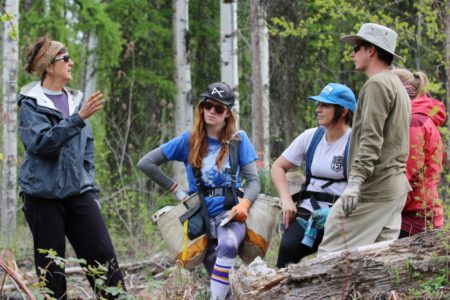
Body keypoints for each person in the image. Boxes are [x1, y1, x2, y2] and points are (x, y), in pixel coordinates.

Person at [18, 36, 125, 299]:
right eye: (65, 58)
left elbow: (87, 154)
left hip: (79, 193)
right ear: (48, 66)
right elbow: (42, 144)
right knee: (51, 272)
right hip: (42, 198)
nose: (71, 62)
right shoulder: (31, 104)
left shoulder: (78, 102)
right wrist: (78, 119)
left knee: (104, 263)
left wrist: (93, 193)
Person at [138, 82, 260, 300]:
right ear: (201, 107)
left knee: (229, 245)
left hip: (231, 213)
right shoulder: (188, 140)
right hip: (201, 220)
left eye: (219, 108)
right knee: (224, 289)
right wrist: (176, 189)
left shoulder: (238, 140)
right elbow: (146, 163)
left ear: (227, 114)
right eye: (208, 105)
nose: (212, 111)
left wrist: (245, 204)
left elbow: (253, 181)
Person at [318, 23, 412, 256]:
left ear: (372, 50)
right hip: (394, 187)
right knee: (378, 266)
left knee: (329, 257)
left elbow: (371, 139)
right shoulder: (395, 85)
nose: (352, 53)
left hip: (375, 189)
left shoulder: (377, 85)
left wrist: (355, 183)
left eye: (357, 47)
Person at [271, 83, 356, 268]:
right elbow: (277, 167)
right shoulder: (311, 137)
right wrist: (286, 200)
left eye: (325, 105)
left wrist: (338, 213)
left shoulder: (355, 143)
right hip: (308, 213)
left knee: (336, 266)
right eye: (318, 104)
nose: (318, 110)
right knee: (287, 248)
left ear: (343, 111)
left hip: (342, 215)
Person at [392, 69, 446, 237]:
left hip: (413, 217)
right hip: (421, 212)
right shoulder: (419, 119)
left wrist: (389, 206)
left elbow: (411, 173)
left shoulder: (414, 121)